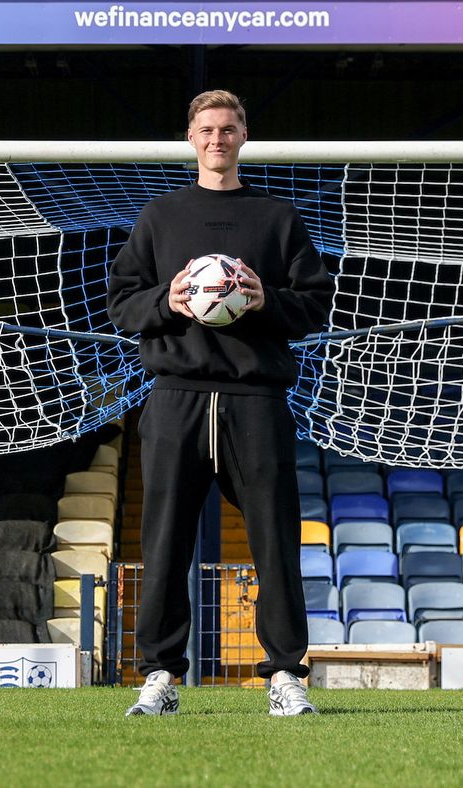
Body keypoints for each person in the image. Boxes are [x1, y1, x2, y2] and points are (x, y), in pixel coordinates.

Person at [107, 90, 334, 717]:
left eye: (228, 129)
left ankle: (286, 675)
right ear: (190, 137)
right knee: (165, 543)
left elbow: (316, 305)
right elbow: (122, 304)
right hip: (176, 397)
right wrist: (168, 302)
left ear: (243, 137)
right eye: (206, 129)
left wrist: (265, 301)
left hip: (254, 399)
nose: (217, 138)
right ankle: (159, 676)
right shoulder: (160, 216)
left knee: (274, 542)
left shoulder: (276, 217)